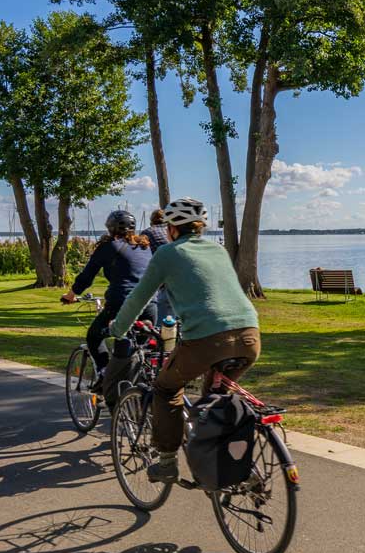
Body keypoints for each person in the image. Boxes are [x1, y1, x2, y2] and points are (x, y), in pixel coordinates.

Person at [104, 197, 261, 483]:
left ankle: (166, 462)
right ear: (199, 226)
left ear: (172, 228)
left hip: (207, 339)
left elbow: (139, 296)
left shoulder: (167, 253)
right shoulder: (218, 250)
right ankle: (233, 466)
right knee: (214, 401)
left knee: (165, 389)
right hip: (250, 334)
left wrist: (116, 330)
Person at [59, 209, 149, 372]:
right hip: (150, 304)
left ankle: (104, 374)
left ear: (110, 229)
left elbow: (87, 276)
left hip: (121, 303)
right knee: (135, 348)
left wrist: (70, 295)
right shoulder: (144, 247)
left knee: (94, 336)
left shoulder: (109, 247)